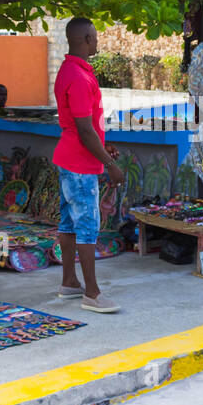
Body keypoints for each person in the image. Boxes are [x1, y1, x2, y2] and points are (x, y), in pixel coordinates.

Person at [52, 17, 125, 312]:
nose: (97, 41)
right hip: (79, 165)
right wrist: (110, 164)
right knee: (87, 227)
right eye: (94, 36)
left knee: (69, 222)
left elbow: (83, 126)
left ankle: (70, 282)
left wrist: (102, 148)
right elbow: (84, 129)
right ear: (84, 39)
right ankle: (92, 293)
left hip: (70, 157)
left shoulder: (69, 70)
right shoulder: (80, 77)